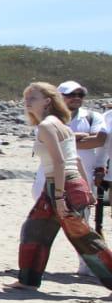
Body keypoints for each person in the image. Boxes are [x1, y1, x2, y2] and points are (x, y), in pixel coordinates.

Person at [6, 82, 94, 291]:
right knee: (34, 232)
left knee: (85, 240)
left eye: (32, 98)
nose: (27, 102)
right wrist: (87, 189)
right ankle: (27, 281)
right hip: (65, 184)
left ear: (47, 101)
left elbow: (60, 162)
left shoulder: (47, 125)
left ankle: (27, 280)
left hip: (61, 185)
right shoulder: (61, 124)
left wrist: (61, 197)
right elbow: (77, 161)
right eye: (26, 98)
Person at [60, 81, 106, 224]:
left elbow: (99, 140)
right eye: (71, 94)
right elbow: (47, 143)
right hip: (52, 178)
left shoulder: (93, 117)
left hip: (83, 177)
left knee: (81, 223)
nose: (77, 97)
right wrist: (78, 137)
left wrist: (64, 140)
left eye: (80, 94)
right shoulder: (49, 118)